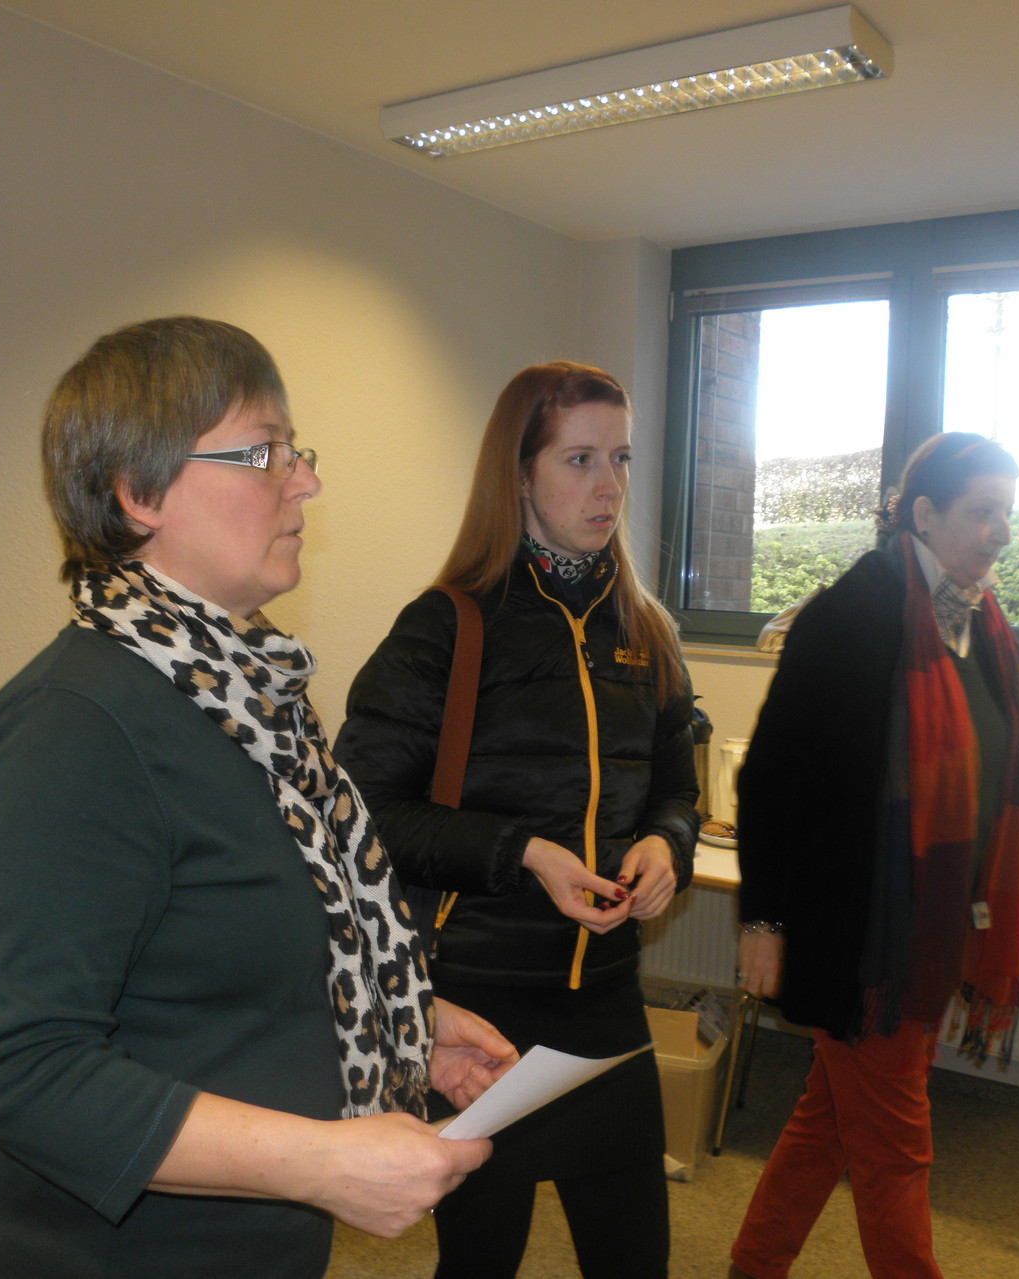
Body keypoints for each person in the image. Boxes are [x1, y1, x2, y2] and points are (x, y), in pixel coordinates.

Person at [0, 317, 517, 1279]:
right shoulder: (74, 728)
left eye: (297, 452)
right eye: (263, 453)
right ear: (138, 492)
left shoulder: (247, 701)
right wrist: (323, 1162)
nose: (305, 481)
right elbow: (25, 1070)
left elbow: (225, 960)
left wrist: (401, 1022)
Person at [333, 361, 699, 1279]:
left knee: (634, 1259)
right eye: (578, 458)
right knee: (479, 1260)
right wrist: (524, 852)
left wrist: (668, 845)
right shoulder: (444, 627)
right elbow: (363, 819)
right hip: (480, 1011)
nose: (608, 484)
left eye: (620, 456)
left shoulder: (645, 629)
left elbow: (675, 792)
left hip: (608, 1000)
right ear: (520, 472)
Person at [726, 432, 1019, 1279]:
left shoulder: (985, 629)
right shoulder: (854, 614)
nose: (1000, 531)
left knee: (825, 1124)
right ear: (924, 514)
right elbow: (769, 778)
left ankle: (751, 1267)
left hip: (932, 934)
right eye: (982, 512)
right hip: (863, 938)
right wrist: (762, 917)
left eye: (1008, 511)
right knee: (897, 1154)